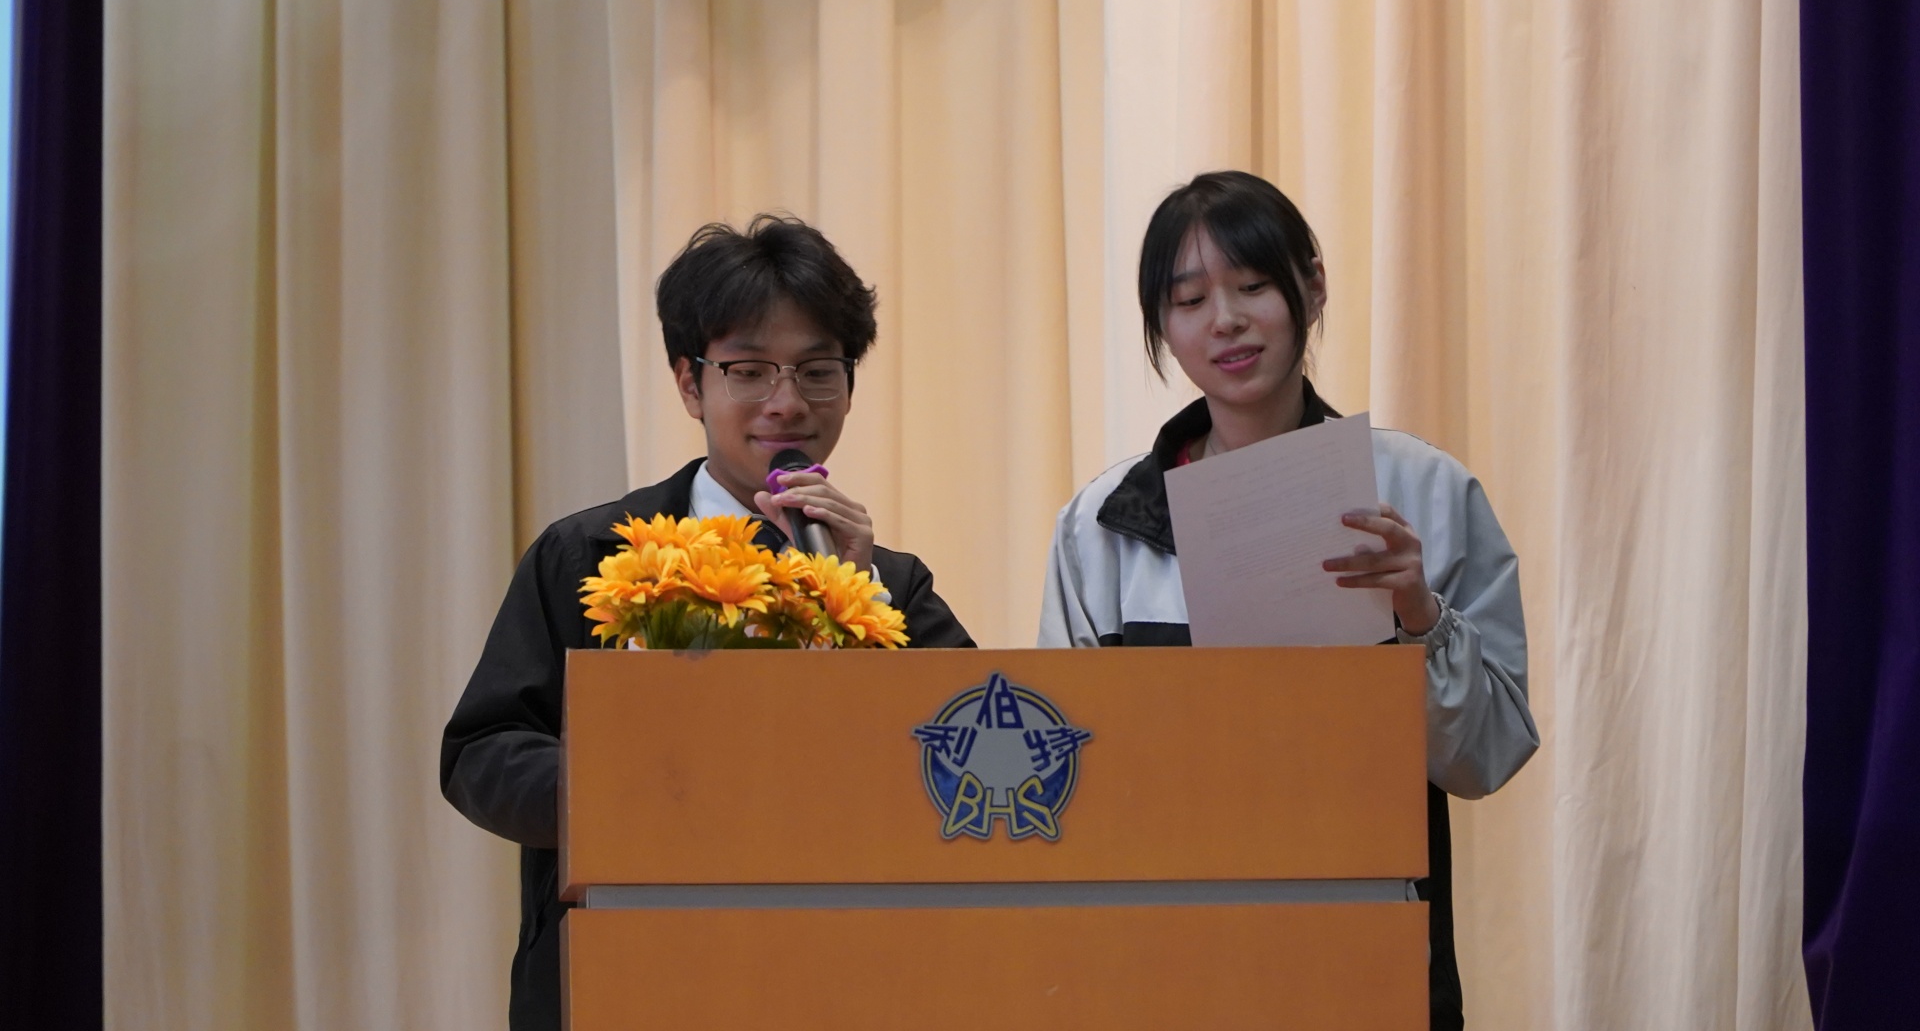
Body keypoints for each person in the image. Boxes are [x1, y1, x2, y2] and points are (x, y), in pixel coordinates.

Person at [443, 214, 974, 1031]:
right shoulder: (590, 555)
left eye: (817, 371)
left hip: (835, 976)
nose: (787, 403)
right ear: (691, 384)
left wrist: (857, 592)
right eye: (749, 371)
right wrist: (638, 793)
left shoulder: (891, 583)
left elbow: (963, 756)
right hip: (629, 968)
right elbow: (482, 752)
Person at [1037, 171, 1538, 1031]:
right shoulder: (1103, 526)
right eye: (1189, 300)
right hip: (1163, 964)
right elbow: (1071, 773)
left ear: (1312, 286)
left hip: (1366, 956)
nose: (1224, 320)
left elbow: (1486, 758)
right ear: (1163, 326)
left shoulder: (1421, 491)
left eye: (1253, 286)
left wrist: (1418, 617)